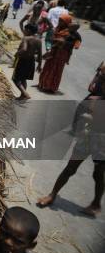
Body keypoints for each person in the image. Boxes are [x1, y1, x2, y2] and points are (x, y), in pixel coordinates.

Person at [37, 64, 105, 216]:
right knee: (70, 168)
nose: (99, 79)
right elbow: (84, 103)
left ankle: (96, 204)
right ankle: (52, 195)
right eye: (99, 75)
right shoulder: (97, 90)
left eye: (101, 76)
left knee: (98, 173)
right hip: (88, 136)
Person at [38, 15, 81, 93]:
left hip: (62, 54)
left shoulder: (70, 32)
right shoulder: (58, 28)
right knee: (48, 67)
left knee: (56, 69)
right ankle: (42, 83)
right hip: (53, 51)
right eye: (60, 20)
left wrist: (64, 42)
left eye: (62, 21)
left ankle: (51, 87)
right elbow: (52, 38)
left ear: (66, 23)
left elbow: (75, 42)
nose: (60, 22)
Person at [12, 23, 42, 100]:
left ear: (28, 30)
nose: (24, 31)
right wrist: (39, 65)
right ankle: (22, 96)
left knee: (15, 78)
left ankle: (25, 94)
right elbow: (40, 54)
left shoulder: (26, 38)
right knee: (23, 79)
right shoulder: (39, 40)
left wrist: (17, 53)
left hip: (23, 60)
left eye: (25, 29)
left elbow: (24, 49)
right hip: (31, 61)